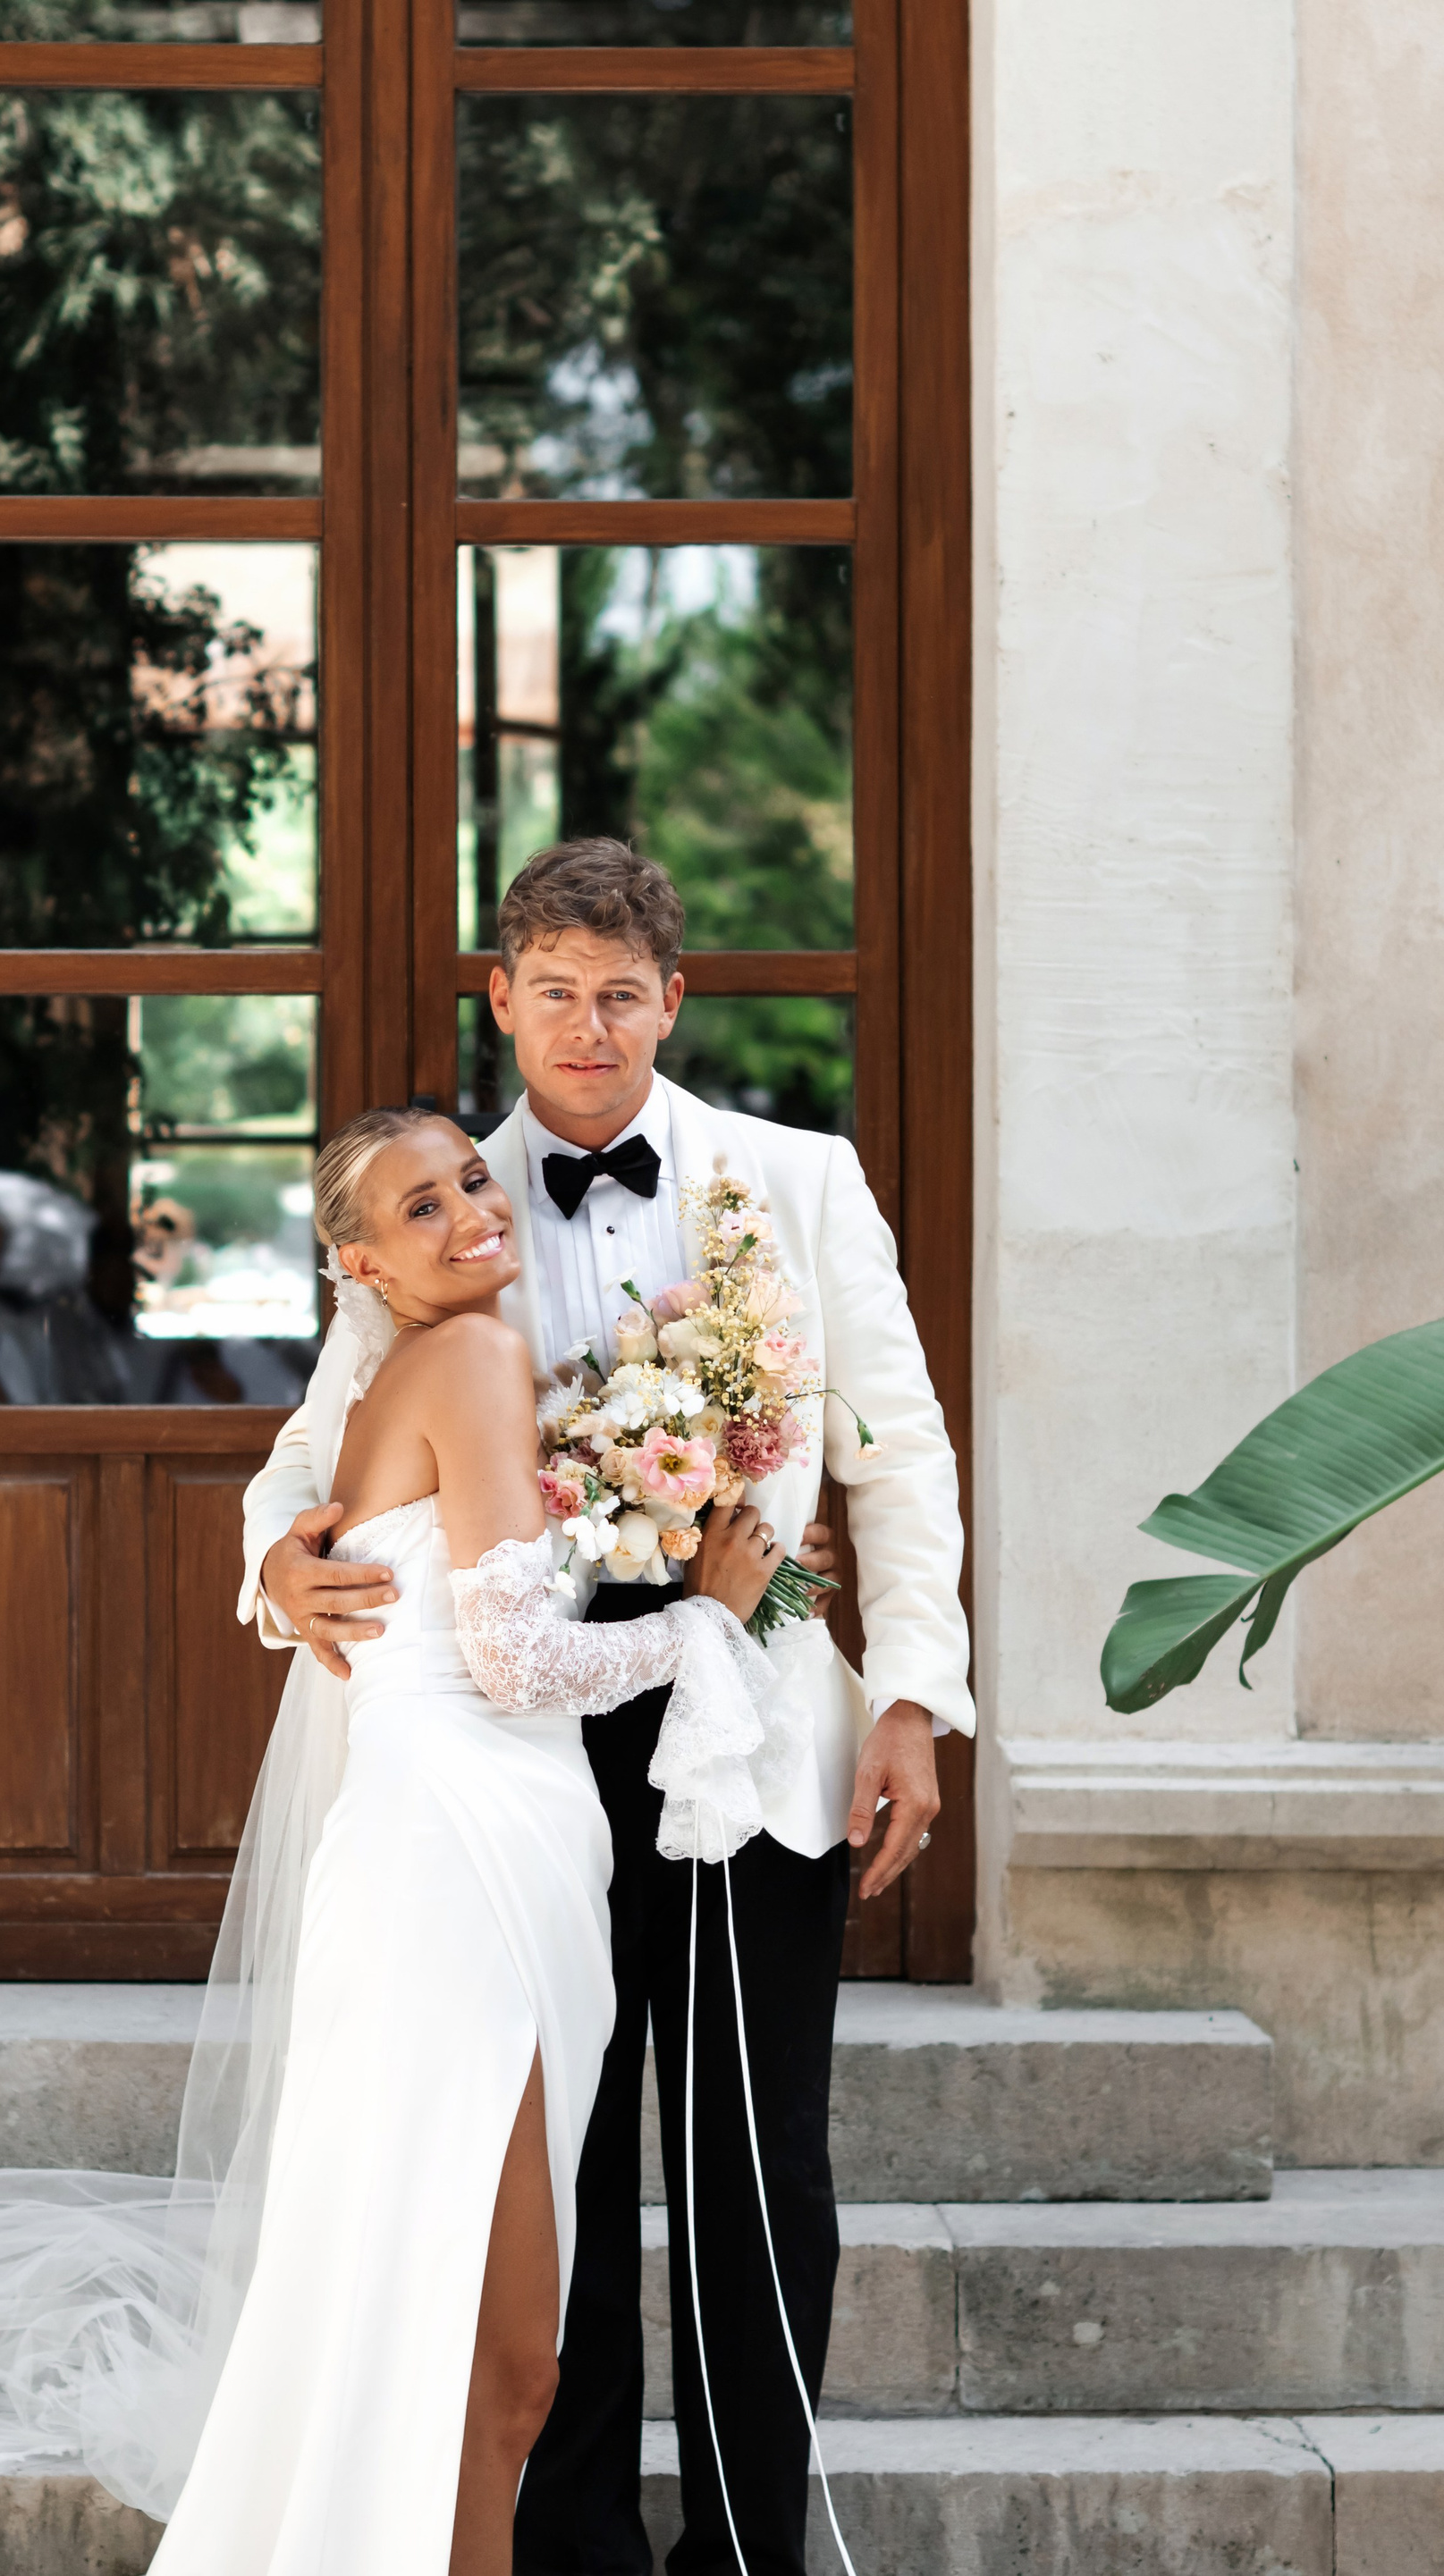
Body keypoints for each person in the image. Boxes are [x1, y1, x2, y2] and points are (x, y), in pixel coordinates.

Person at [0, 1103, 786, 2576]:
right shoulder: (470, 1357)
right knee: (480, 2361)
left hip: (493, 1836)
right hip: (455, 1856)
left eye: (468, 1180)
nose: (472, 1210)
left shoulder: (466, 1354)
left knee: (478, 2363)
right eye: (422, 1208)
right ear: (362, 1265)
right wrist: (706, 1618)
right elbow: (513, 1662)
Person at [241, 840, 976, 2576]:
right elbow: (309, 1455)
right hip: (524, 1751)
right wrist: (276, 1561)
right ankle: (569, 2552)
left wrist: (914, 1697)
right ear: (503, 999)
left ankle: (748, 2554)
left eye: (622, 995)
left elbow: (896, 1449)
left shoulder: (798, 1179)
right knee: (548, 2177)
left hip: (749, 1728)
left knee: (754, 2173)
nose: (588, 1027)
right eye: (556, 992)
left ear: (673, 1002)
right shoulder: (438, 1199)